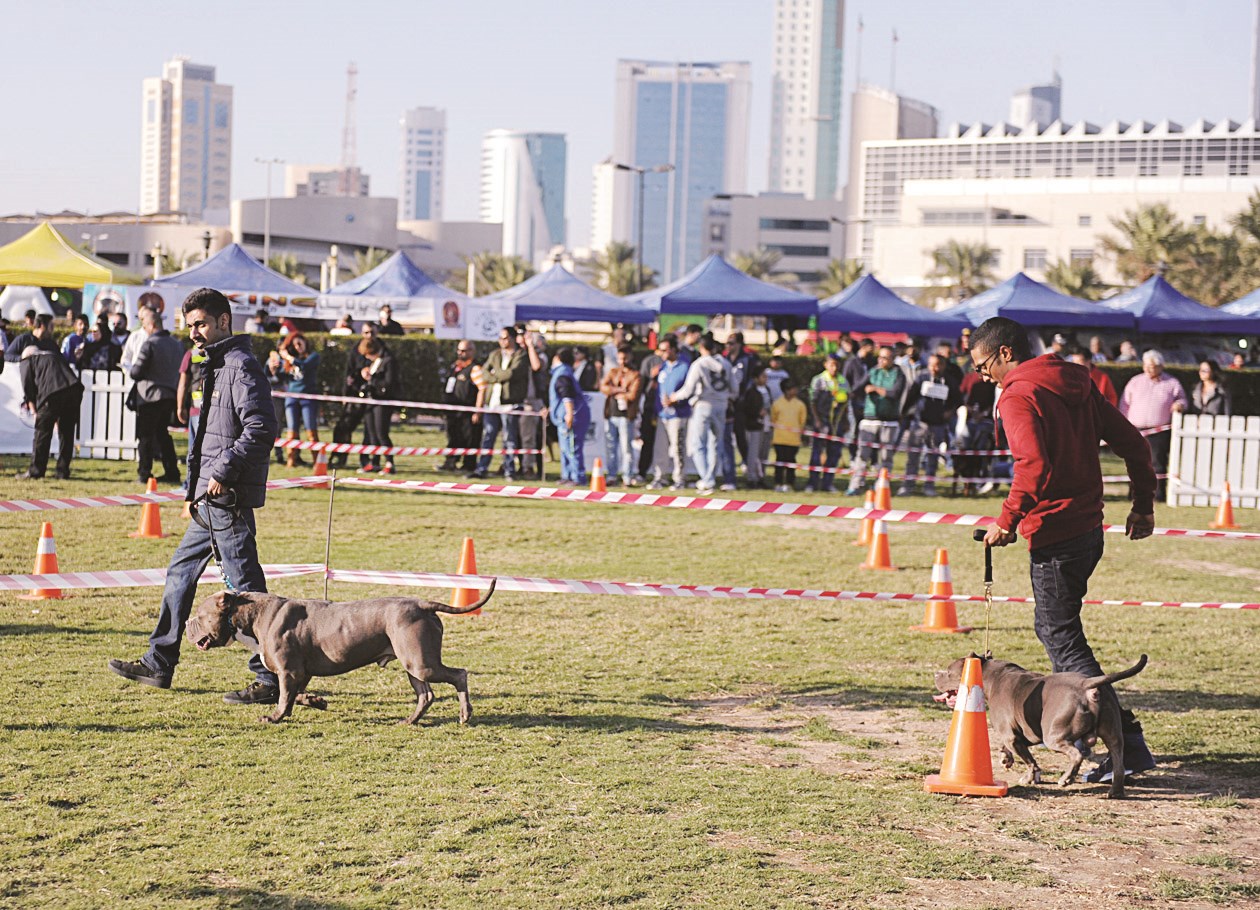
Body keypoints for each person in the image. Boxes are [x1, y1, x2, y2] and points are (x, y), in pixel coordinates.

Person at [969, 315, 1158, 784]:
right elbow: (1134, 444)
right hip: (1088, 529)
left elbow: (1031, 465)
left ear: (1006, 353)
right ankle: (1111, 742)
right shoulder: (1079, 381)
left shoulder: (1018, 394)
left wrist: (1006, 521)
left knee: (1060, 637)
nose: (982, 375)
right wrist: (1143, 507)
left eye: (983, 365)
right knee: (1057, 630)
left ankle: (1125, 745)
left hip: (1054, 533)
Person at [108, 287, 281, 706]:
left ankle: (271, 677)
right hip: (208, 501)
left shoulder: (241, 367)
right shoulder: (213, 365)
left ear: (224, 321)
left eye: (201, 324)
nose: (195, 333)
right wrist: (193, 491)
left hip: (229, 498)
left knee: (246, 593)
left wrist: (222, 472)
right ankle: (159, 661)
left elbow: (261, 428)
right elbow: (205, 438)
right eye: (190, 326)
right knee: (179, 575)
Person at [12, 316, 83, 479]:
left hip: (53, 393)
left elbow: (28, 384)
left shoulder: (27, 359)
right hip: (74, 389)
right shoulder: (52, 354)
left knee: (42, 431)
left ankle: (36, 471)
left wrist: (33, 407)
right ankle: (62, 471)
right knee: (67, 432)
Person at [668, 334, 734, 493]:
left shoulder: (699, 363)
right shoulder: (725, 363)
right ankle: (710, 478)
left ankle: (706, 479)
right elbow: (735, 388)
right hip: (722, 405)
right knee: (715, 444)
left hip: (703, 405)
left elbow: (688, 389)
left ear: (701, 348)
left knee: (697, 444)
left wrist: (674, 397)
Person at [1118, 350, 1187, 500]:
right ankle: (1134, 494)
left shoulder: (1171, 383)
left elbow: (1183, 400)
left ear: (1160, 366)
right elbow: (1124, 404)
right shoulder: (1135, 382)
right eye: (1146, 366)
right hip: (1136, 430)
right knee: (1135, 463)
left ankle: (1158, 495)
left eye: (1152, 366)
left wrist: (1179, 405)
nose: (1148, 369)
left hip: (1159, 431)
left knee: (1158, 463)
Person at [130, 308, 184, 485]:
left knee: (145, 436)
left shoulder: (150, 344)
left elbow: (136, 372)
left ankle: (144, 473)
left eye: (144, 325)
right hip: (169, 395)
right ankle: (172, 472)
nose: (144, 328)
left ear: (152, 325)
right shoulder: (177, 344)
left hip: (150, 396)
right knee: (163, 435)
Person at [469, 326, 528, 480]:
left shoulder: (521, 355)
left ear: (513, 338)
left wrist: (495, 376)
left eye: (505, 338)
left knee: (509, 439)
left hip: (509, 404)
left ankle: (509, 470)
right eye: (500, 338)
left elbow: (512, 374)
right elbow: (484, 372)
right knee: (488, 436)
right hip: (492, 403)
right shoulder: (495, 354)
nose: (502, 341)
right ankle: (481, 469)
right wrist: (495, 376)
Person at [845, 346, 905, 495]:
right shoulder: (873, 371)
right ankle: (856, 484)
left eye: (885, 358)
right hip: (870, 419)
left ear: (892, 359)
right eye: (880, 357)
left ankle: (882, 486)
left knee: (886, 457)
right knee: (862, 455)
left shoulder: (899, 374)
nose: (881, 361)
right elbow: (858, 388)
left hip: (889, 421)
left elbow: (894, 394)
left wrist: (876, 389)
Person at [899, 354, 962, 496]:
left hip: (938, 425)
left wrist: (949, 412)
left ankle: (929, 486)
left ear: (943, 366)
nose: (934, 368)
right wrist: (902, 413)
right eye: (931, 364)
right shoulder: (921, 378)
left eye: (937, 365)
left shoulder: (950, 381)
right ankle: (908, 485)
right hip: (919, 423)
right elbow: (911, 396)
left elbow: (958, 400)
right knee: (913, 456)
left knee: (933, 458)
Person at [330, 324, 385, 471]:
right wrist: (345, 394)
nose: (369, 335)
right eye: (366, 332)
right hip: (355, 394)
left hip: (373, 396)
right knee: (343, 427)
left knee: (371, 432)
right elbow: (348, 373)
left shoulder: (383, 349)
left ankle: (368, 461)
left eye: (372, 332)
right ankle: (339, 457)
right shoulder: (356, 349)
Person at [648, 336, 691, 490]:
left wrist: (676, 400)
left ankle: (679, 478)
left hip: (678, 414)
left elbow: (689, 389)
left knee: (678, 448)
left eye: (665, 350)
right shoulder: (662, 367)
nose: (663, 353)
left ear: (673, 349)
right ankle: (660, 477)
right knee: (660, 448)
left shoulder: (685, 366)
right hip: (662, 414)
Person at [806, 353, 850, 493]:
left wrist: (846, 420)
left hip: (836, 424)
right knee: (817, 453)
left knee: (834, 454)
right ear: (826, 365)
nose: (834, 367)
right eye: (831, 364)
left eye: (837, 364)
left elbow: (846, 403)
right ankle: (812, 483)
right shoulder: (819, 380)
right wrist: (817, 420)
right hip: (822, 422)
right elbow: (812, 402)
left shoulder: (843, 381)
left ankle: (827, 483)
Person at [599, 344, 641, 486]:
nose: (622, 361)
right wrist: (618, 390)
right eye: (620, 358)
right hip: (611, 414)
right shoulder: (613, 372)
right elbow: (603, 387)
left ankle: (627, 477)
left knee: (626, 449)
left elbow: (633, 395)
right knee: (611, 447)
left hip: (626, 416)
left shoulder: (635, 374)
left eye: (624, 358)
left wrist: (621, 394)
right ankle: (612, 475)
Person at [549, 346, 591, 486]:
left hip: (572, 414)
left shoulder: (562, 373)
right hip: (566, 414)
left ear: (558, 358)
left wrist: (569, 413)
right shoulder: (564, 372)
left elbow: (566, 394)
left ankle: (578, 477)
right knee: (565, 447)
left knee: (572, 447)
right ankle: (567, 475)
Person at [358, 333, 400, 474]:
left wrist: (372, 379)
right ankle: (374, 462)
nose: (366, 358)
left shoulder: (388, 361)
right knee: (372, 433)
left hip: (383, 401)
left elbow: (388, 383)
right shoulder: (373, 362)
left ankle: (389, 462)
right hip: (371, 400)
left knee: (382, 432)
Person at [279, 334, 321, 467]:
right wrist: (273, 368)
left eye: (300, 343)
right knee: (292, 431)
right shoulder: (290, 361)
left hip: (308, 398)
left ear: (305, 341)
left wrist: (288, 357)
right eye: (295, 345)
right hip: (291, 397)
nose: (298, 347)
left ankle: (317, 461)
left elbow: (304, 366)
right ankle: (292, 460)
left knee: (311, 430)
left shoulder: (313, 356)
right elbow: (281, 375)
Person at [440, 341, 479, 474]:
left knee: (469, 439)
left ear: (471, 351)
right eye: (459, 350)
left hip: (468, 410)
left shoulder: (475, 368)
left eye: (464, 351)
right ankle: (450, 462)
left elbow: (482, 390)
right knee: (453, 437)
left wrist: (478, 411)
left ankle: (469, 465)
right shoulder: (455, 367)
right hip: (452, 411)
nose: (460, 353)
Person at [770, 378, 807, 492]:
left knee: (791, 462)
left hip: (793, 439)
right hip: (779, 438)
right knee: (780, 461)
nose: (795, 391)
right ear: (786, 390)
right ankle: (778, 482)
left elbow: (802, 420)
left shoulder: (800, 405)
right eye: (792, 389)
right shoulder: (777, 403)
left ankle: (790, 483)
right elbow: (773, 419)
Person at [636, 342, 663, 483]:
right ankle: (642, 472)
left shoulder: (676, 363)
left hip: (666, 409)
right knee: (648, 442)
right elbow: (641, 385)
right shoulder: (649, 361)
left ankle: (662, 475)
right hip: (650, 408)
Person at [741, 365, 771, 489]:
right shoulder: (751, 392)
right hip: (754, 426)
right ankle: (751, 477)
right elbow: (747, 409)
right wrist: (757, 412)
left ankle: (761, 476)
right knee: (754, 453)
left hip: (766, 425)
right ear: (756, 378)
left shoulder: (767, 389)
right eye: (763, 376)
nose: (765, 379)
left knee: (764, 453)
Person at [120, 304, 155, 372]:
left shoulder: (158, 336)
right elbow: (125, 358)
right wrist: (131, 371)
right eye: (142, 318)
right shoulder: (135, 336)